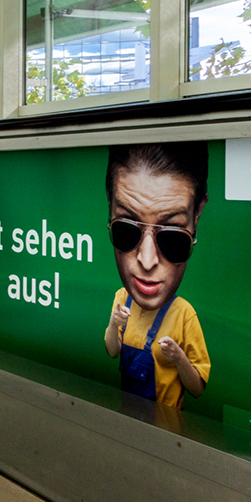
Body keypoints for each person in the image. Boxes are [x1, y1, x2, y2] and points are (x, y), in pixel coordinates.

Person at [102, 142, 211, 409]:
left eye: (173, 236)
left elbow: (196, 389)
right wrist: (113, 324)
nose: (147, 261)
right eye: (126, 229)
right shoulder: (121, 298)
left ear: (197, 216)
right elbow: (112, 351)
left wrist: (178, 358)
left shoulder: (184, 315)